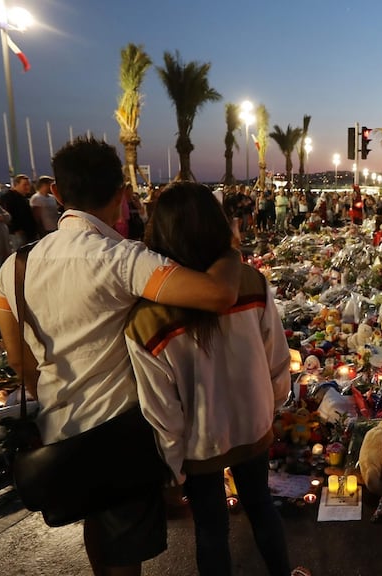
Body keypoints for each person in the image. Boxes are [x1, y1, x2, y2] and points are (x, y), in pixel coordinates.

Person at [0, 137, 242, 576]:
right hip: (118, 435)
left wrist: (53, 394)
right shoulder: (123, 260)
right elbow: (218, 294)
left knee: (97, 529)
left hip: (59, 432)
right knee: (124, 552)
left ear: (58, 194)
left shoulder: (14, 266)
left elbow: (18, 360)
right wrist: (230, 250)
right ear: (122, 193)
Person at [125, 183, 307, 576]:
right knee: (261, 507)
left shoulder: (146, 318)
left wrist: (173, 468)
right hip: (252, 425)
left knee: (210, 529)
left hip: (199, 444)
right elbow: (278, 358)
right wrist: (269, 408)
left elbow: (162, 410)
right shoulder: (249, 282)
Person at [1, 174, 38, 250]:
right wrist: (16, 229)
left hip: (29, 232)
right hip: (18, 233)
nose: (28, 187)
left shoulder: (24, 198)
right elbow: (8, 214)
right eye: (25, 185)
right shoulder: (8, 197)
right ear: (16, 184)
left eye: (28, 184)